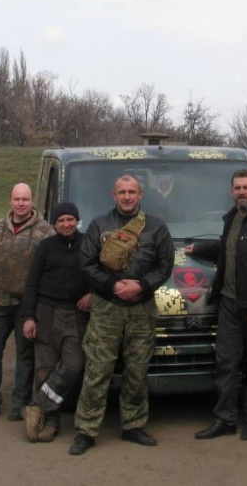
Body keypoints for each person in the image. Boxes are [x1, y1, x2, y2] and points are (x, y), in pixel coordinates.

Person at [69, 174, 174, 456]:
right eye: (121, 192)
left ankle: (134, 425)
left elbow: (165, 266)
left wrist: (142, 285)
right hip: (106, 309)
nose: (127, 197)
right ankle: (87, 430)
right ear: (113, 195)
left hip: (141, 309)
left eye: (132, 192)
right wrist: (113, 285)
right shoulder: (99, 225)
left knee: (137, 372)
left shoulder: (156, 228)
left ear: (140, 194)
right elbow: (87, 263)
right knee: (97, 370)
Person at [192, 169, 247, 441]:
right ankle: (225, 419)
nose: (241, 192)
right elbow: (227, 248)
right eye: (237, 188)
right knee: (226, 363)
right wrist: (197, 249)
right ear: (232, 192)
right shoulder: (231, 219)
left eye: (246, 187)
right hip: (229, 304)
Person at [0, 183, 54, 422]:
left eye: (25, 199)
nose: (21, 203)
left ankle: (20, 402)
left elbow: (50, 267)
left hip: (26, 307)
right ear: (10, 200)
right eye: (17, 199)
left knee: (25, 356)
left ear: (32, 201)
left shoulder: (45, 231)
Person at [21, 202, 91, 443]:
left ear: (77, 221)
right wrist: (29, 317)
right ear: (55, 223)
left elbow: (100, 275)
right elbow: (31, 283)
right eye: (61, 220)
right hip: (46, 312)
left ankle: (38, 404)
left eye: (71, 219)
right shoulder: (46, 247)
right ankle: (50, 421)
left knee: (73, 365)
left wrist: (92, 293)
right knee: (45, 368)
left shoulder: (88, 245)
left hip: (76, 314)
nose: (66, 224)